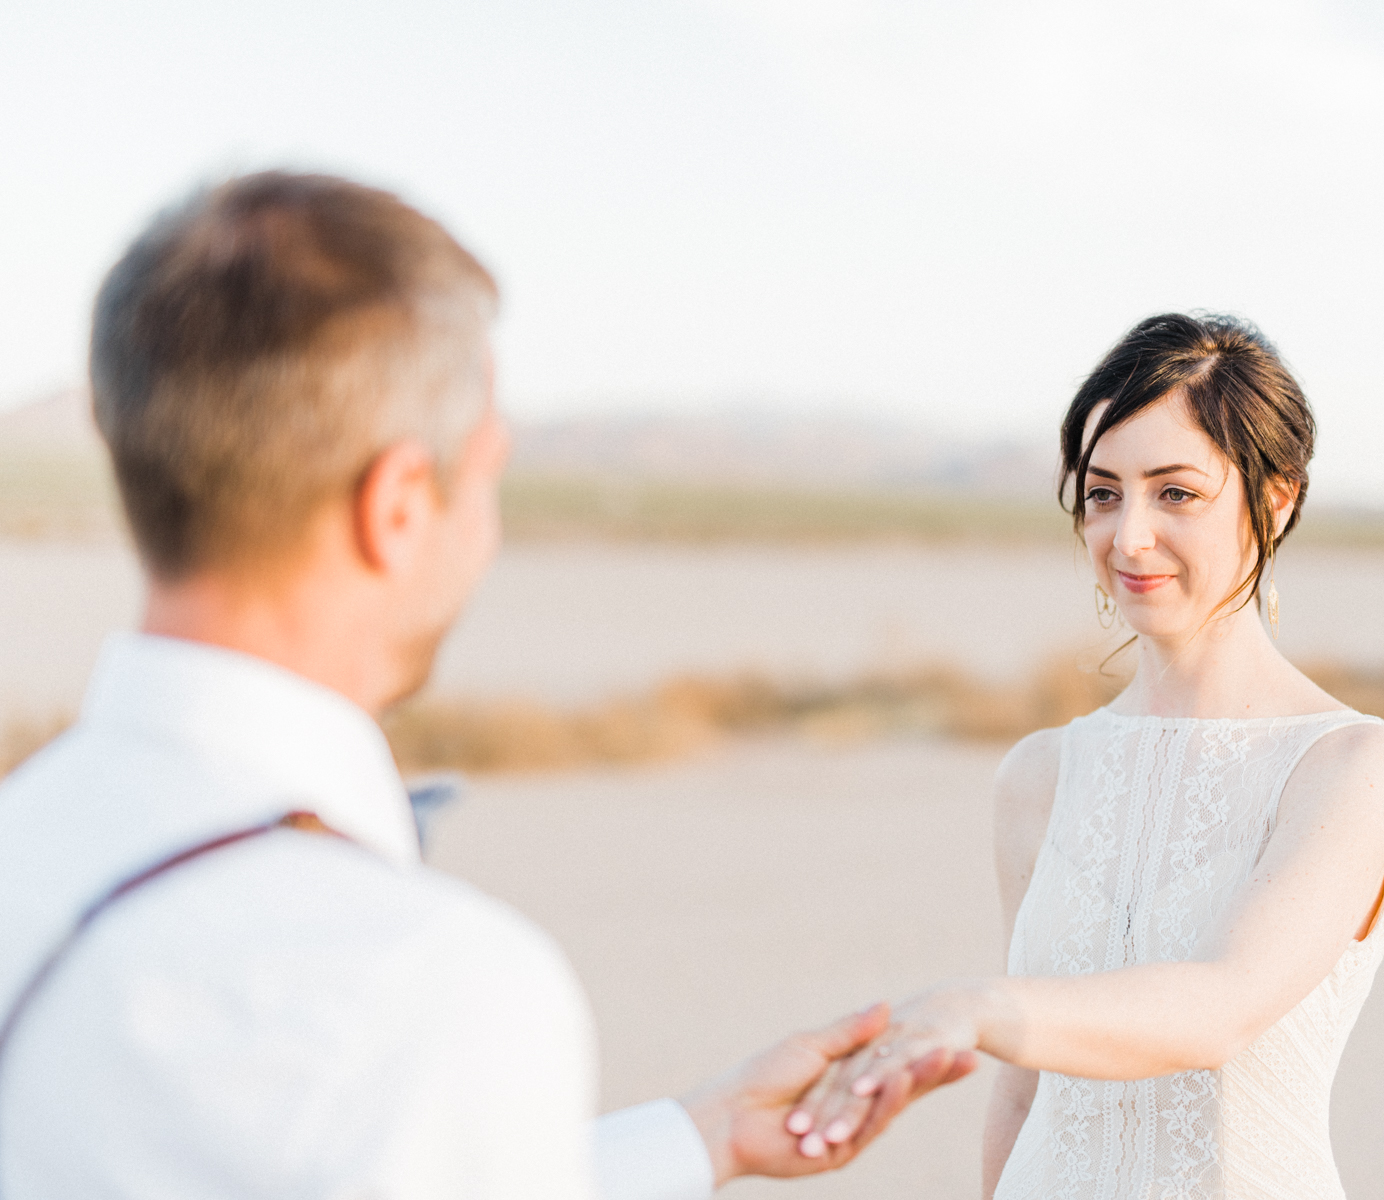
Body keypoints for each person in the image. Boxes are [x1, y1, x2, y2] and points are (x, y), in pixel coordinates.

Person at [0, 171, 972, 1199]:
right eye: (488, 472)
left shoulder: (30, 837)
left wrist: (701, 1135)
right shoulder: (428, 991)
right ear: (402, 505)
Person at [784, 313, 1384, 1197]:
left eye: (1177, 493)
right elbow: (1024, 1089)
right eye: (1103, 492)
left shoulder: (1347, 765)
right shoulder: (1038, 775)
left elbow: (1222, 1006)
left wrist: (979, 1009)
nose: (1128, 538)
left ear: (1277, 499)